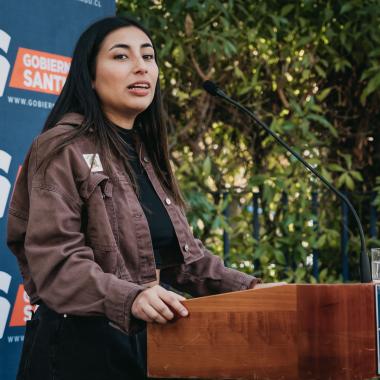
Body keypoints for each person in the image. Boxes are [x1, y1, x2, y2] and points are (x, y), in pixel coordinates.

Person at [7, 16, 264, 380]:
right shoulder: (61, 147)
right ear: (90, 77)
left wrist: (254, 290)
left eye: (148, 56)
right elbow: (57, 262)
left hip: (147, 344)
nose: (141, 66)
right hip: (77, 350)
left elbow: (182, 260)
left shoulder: (146, 153)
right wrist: (131, 297)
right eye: (121, 57)